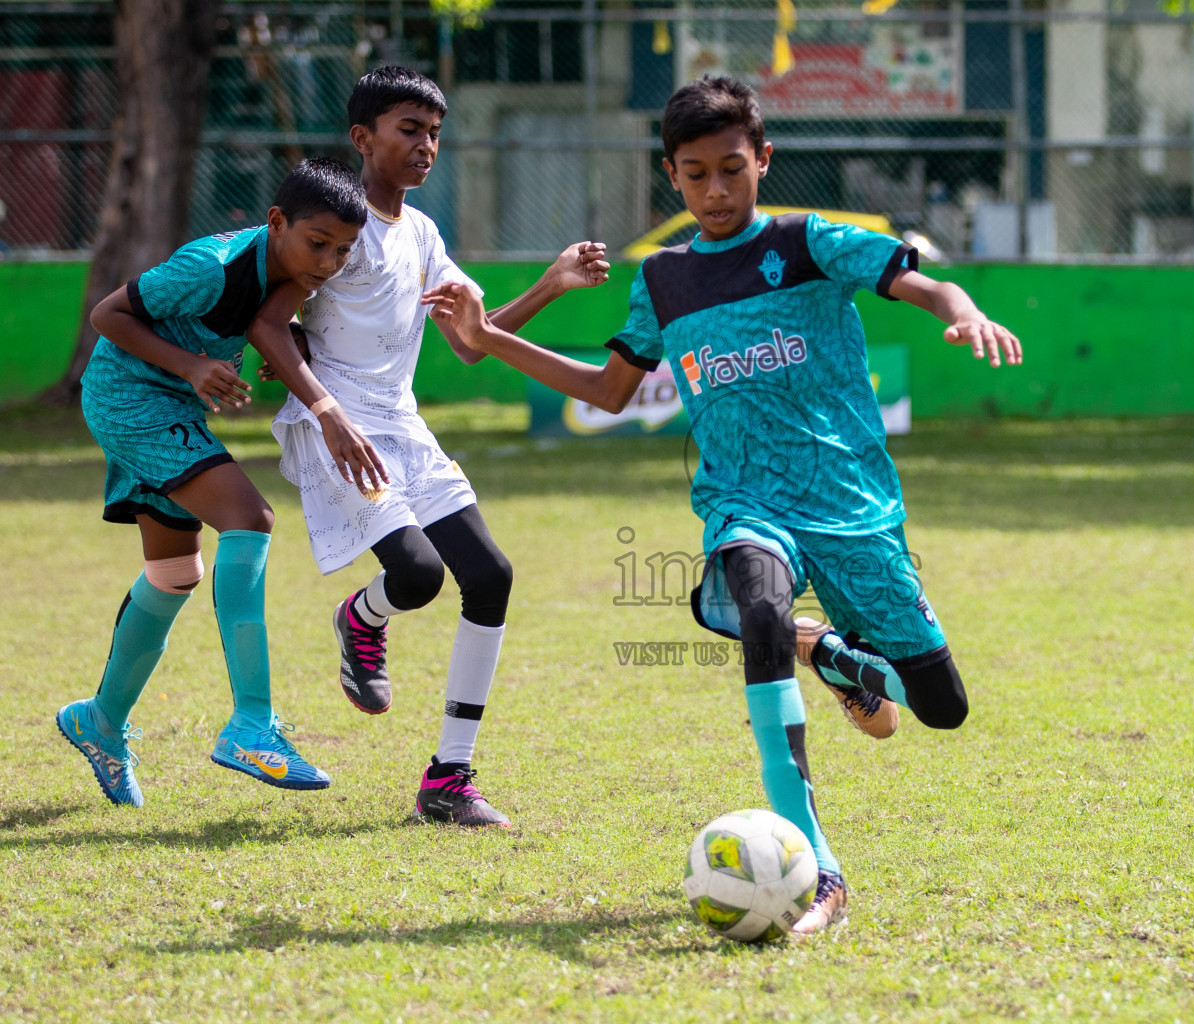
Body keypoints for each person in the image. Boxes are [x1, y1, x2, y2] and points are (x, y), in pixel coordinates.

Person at [421, 75, 1021, 932]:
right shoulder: (663, 279)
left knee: (938, 711)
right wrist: (491, 339)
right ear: (673, 174)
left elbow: (919, 283)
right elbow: (611, 388)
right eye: (695, 174)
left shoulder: (809, 242)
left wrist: (963, 312)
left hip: (854, 508)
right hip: (746, 503)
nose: (714, 190)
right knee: (757, 607)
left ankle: (842, 658)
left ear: (763, 161)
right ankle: (822, 871)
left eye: (731, 170)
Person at [265, 67, 609, 828]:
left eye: (434, 133)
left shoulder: (422, 233)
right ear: (363, 138)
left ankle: (448, 778)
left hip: (404, 424)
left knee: (489, 574)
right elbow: (271, 319)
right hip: (342, 426)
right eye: (408, 130)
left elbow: (473, 345)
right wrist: (319, 404)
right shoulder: (337, 230)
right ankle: (364, 616)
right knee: (417, 574)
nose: (426, 146)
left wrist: (552, 282)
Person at [58, 157, 386, 807]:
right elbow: (107, 316)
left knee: (176, 575)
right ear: (276, 222)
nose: (327, 262)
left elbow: (268, 320)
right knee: (251, 517)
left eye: (343, 251)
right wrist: (192, 366)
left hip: (167, 405)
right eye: (317, 244)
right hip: (131, 398)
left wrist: (283, 340)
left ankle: (97, 720)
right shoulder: (208, 267)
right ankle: (252, 727)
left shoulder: (295, 270)